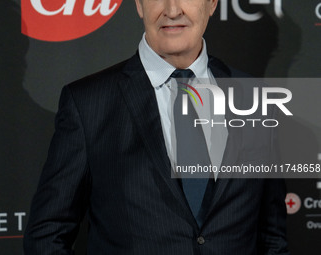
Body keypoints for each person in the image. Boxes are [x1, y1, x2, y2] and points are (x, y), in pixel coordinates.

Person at [24, 0, 290, 254]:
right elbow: (47, 234)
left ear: (211, 3)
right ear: (139, 5)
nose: (172, 10)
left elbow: (273, 236)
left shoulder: (254, 98)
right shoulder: (88, 103)